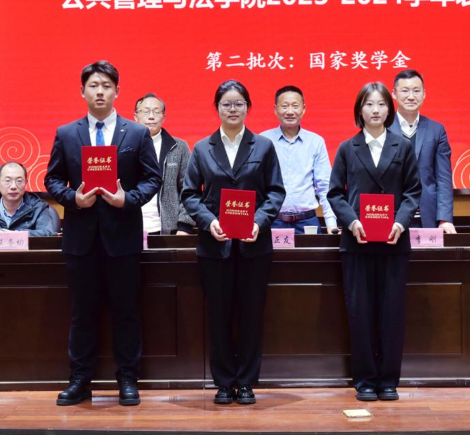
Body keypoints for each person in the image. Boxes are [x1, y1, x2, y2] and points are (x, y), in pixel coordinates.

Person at [45, 61, 162, 407]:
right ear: (82, 91)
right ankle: (80, 380)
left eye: (107, 86)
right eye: (94, 85)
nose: (100, 91)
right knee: (82, 313)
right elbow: (52, 179)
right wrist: (73, 199)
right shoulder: (67, 133)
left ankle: (127, 379)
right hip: (80, 240)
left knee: (126, 312)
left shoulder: (136, 133)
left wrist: (129, 199)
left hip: (123, 238)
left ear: (117, 92)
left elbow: (152, 178)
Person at [181, 80, 285, 405]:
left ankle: (247, 382)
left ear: (248, 107)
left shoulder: (263, 146)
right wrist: (209, 221)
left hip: (254, 246)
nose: (233, 109)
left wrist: (258, 221)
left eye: (239, 103)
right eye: (226, 103)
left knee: (252, 316)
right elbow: (189, 194)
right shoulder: (202, 148)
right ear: (217, 108)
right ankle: (224, 382)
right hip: (215, 247)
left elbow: (276, 192)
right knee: (219, 316)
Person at [327, 82, 422, 402]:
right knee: (360, 311)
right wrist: (352, 221)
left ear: (389, 109)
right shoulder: (347, 147)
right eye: (369, 104)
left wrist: (400, 221)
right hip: (357, 243)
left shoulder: (403, 147)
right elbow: (335, 194)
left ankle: (389, 379)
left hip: (394, 242)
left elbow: (413, 191)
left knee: (391, 312)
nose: (376, 110)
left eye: (381, 104)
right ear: (360, 110)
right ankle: (365, 379)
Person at [261, 85, 338, 234]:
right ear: (275, 109)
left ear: (303, 109)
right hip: (272, 220)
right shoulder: (263, 141)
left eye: (295, 106)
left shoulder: (315, 142)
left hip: (307, 222)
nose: (290, 111)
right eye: (284, 106)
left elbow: (324, 187)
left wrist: (331, 223)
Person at [389, 70, 455, 233]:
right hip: (391, 216)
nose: (411, 96)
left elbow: (443, 178)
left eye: (416, 91)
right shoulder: (383, 129)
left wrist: (445, 219)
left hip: (427, 216)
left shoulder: (436, 130)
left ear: (424, 94)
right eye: (405, 91)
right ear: (394, 94)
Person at [133, 93, 195, 235]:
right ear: (135, 117)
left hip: (168, 231)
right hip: (129, 229)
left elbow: (190, 189)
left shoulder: (179, 147)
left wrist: (184, 226)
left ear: (164, 117)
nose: (151, 116)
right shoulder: (123, 146)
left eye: (156, 112)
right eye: (145, 111)